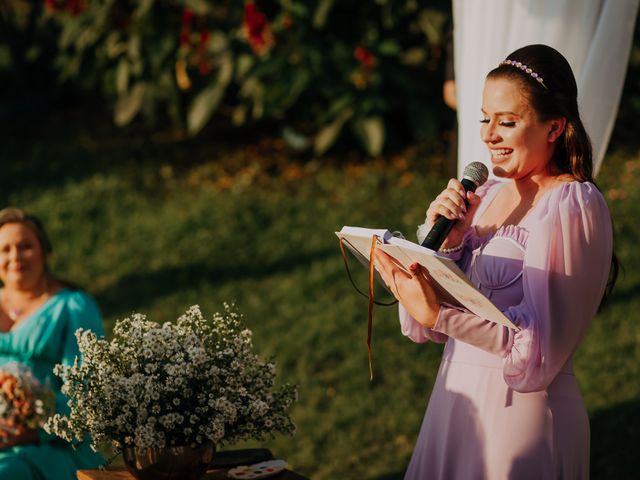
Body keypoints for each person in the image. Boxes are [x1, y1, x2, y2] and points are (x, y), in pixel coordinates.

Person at [374, 44, 617, 479]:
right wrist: (447, 244)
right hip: (454, 404)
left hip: (521, 420)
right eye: (486, 119)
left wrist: (439, 314)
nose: (488, 135)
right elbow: (420, 327)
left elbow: (538, 351)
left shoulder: (571, 205)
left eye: (507, 122)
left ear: (554, 127)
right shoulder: (483, 196)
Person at [0, 207, 105, 478]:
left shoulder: (73, 306)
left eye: (25, 246)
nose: (15, 257)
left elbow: (87, 393)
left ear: (45, 252)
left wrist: (33, 431)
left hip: (52, 446)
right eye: (5, 249)